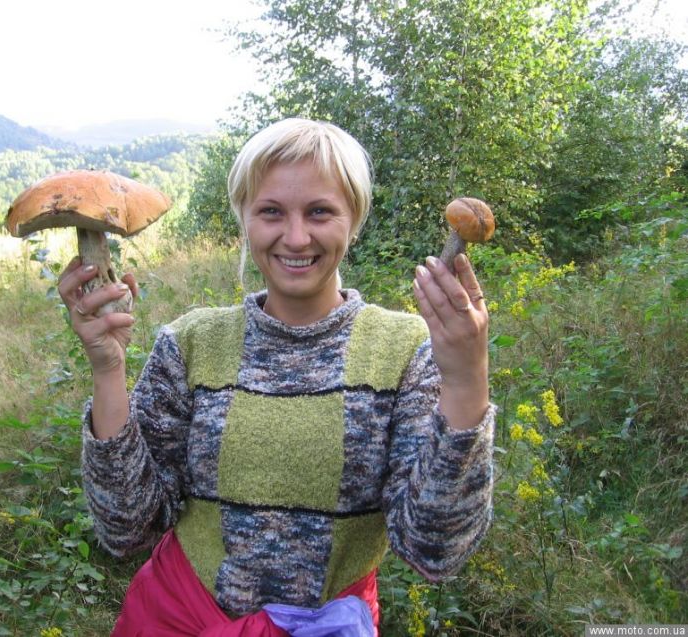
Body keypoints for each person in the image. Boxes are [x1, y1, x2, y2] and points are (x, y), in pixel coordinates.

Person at [57, 118, 495, 637]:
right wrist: (108, 369)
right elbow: (127, 529)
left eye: (319, 211)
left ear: (354, 219)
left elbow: (434, 550)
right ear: (243, 218)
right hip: (178, 619)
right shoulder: (192, 343)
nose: (296, 236)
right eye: (271, 212)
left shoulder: (403, 352)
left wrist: (466, 380)